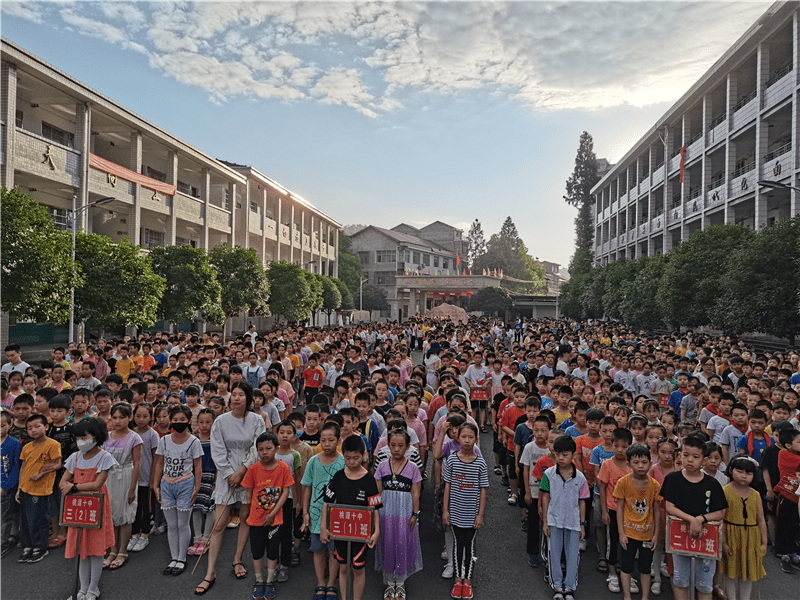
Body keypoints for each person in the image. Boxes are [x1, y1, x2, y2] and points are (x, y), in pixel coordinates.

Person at [197, 381, 267, 595]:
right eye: (233, 394)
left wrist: (242, 471)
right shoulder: (220, 421)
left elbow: (258, 447)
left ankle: (237, 559)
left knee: (245, 518)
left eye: (241, 394)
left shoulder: (256, 420)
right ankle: (210, 571)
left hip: (249, 472)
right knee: (219, 524)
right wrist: (229, 475)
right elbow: (217, 451)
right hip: (226, 475)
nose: (236, 398)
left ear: (248, 398)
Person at [661, 434, 728, 600]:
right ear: (680, 455)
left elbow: (721, 512)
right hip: (680, 534)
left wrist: (700, 519)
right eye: (685, 455)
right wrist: (691, 519)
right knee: (680, 577)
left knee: (704, 582)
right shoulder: (672, 479)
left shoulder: (712, 483)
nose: (690, 460)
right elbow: (669, 507)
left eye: (695, 457)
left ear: (704, 460)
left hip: (705, 537)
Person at [59, 417, 116, 600]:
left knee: (95, 549)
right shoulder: (74, 457)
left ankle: (93, 588)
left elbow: (97, 484)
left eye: (84, 437)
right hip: (77, 508)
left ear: (96, 436)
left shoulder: (105, 457)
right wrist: (69, 486)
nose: (80, 441)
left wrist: (74, 487)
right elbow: (63, 481)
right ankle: (82, 589)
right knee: (81, 549)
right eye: (78, 438)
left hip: (95, 508)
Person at [321, 434, 382, 600]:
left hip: (361, 533)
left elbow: (375, 507)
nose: (351, 462)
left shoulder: (369, 480)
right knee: (342, 567)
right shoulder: (339, 476)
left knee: (358, 569)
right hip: (340, 530)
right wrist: (323, 528)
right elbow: (327, 502)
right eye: (347, 458)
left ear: (363, 455)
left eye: (356, 458)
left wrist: (376, 531)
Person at [152, 404, 203, 577]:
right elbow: (159, 462)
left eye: (182, 420)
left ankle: (182, 558)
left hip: (185, 484)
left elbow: (198, 465)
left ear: (189, 421)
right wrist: (155, 484)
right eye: (175, 420)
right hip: (167, 484)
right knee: (171, 525)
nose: (178, 422)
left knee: (182, 524)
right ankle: (173, 558)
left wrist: (197, 487)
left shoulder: (194, 441)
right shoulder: (164, 440)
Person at [242, 431, 294, 600]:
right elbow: (248, 492)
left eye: (268, 448)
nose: (264, 452)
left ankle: (270, 581)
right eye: (261, 449)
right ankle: (259, 581)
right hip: (256, 519)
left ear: (276, 448)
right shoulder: (253, 469)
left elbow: (285, 492)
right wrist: (248, 511)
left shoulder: (283, 468)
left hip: (275, 519)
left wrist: (273, 513)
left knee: (273, 551)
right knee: (257, 551)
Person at [374, 428, 423, 599]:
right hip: (385, 512)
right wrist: (374, 513)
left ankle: (400, 583)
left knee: (402, 545)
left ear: (408, 446)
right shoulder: (381, 466)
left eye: (401, 445)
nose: (396, 449)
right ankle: (389, 583)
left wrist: (415, 514)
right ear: (388, 445)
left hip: (404, 512)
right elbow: (377, 492)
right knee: (387, 543)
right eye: (393, 445)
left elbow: (416, 493)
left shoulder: (413, 468)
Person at [539, 434, 589, 600]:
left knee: (572, 555)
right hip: (554, 521)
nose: (560, 458)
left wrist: (582, 524)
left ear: (573, 454)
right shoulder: (548, 474)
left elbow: (582, 502)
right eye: (557, 454)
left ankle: (569, 587)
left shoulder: (580, 478)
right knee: (554, 554)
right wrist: (545, 521)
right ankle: (557, 588)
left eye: (565, 454)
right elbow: (545, 496)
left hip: (573, 522)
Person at [442, 422, 488, 600]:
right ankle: (457, 579)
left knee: (468, 546)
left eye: (471, 437)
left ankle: (467, 580)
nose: (467, 441)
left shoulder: (481, 463)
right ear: (457, 438)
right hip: (455, 511)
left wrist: (480, 514)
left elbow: (483, 489)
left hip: (472, 513)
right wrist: (445, 510)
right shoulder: (452, 459)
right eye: (463, 437)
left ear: (476, 439)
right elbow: (448, 486)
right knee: (456, 545)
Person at [301, 421, 345, 600]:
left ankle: (331, 584)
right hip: (316, 514)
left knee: (334, 551)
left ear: (339, 440)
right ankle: (320, 583)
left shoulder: (343, 461)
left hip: (337, 515)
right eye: (323, 440)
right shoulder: (313, 461)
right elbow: (307, 488)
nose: (327, 444)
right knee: (318, 550)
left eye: (331, 440)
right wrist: (305, 512)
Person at [613, 444, 662, 600]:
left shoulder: (655, 485)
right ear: (628, 464)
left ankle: (645, 597)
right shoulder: (623, 482)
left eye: (644, 462)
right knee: (626, 566)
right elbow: (619, 508)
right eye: (636, 462)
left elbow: (657, 510)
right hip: (629, 532)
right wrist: (621, 532)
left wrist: (656, 534)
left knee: (645, 568)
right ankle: (627, 596)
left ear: (650, 463)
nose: (640, 466)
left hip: (647, 534)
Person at [102, 401, 143, 570]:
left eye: (122, 417)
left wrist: (132, 487)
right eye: (114, 417)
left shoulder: (134, 438)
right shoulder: (107, 436)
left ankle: (122, 551)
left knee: (125, 514)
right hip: (108, 477)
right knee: (111, 515)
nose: (117, 421)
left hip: (125, 475)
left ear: (130, 418)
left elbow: (137, 463)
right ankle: (112, 550)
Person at [16, 413, 62, 563]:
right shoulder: (27, 446)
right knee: (26, 519)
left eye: (37, 426)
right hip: (25, 488)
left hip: (41, 489)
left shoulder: (53, 444)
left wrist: (41, 473)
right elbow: (23, 467)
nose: (33, 430)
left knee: (39, 519)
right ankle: (27, 545)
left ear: (46, 427)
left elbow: (58, 464)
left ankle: (40, 547)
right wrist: (18, 488)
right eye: (30, 428)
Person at [720, 456, 767, 600]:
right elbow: (720, 519)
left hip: (751, 538)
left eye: (749, 473)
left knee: (748, 571)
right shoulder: (725, 491)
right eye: (739, 471)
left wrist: (764, 543)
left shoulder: (756, 495)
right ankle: (731, 597)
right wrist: (723, 542)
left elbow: (761, 520)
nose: (743, 476)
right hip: (731, 535)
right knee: (730, 571)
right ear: (731, 471)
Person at [597, 427, 633, 593]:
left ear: (630, 447)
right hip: (612, 509)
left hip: (630, 513)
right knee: (612, 541)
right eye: (616, 445)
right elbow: (602, 489)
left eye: (624, 447)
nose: (619, 449)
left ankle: (627, 572)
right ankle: (612, 573)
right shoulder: (607, 465)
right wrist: (604, 511)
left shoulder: (633, 466)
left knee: (629, 544)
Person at [130, 402, 158, 553]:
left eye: (145, 416)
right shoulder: (131, 432)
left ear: (150, 417)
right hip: (132, 477)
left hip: (146, 477)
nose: (141, 419)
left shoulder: (152, 434)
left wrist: (154, 479)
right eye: (138, 416)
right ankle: (134, 534)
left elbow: (156, 459)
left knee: (145, 508)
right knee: (133, 507)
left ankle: (144, 535)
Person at [189, 408, 217, 557]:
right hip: (195, 476)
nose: (204, 425)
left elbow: (219, 463)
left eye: (208, 422)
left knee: (210, 507)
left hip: (210, 475)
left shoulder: (216, 440)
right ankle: (197, 538)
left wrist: (216, 482)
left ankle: (206, 538)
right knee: (196, 506)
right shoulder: (194, 439)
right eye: (201, 422)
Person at [1, 409, 21, 557]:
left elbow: (15, 467)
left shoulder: (14, 443)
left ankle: (3, 543)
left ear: (10, 425)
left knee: (5, 517)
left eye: (2, 426)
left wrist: (6, 486)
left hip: (5, 487)